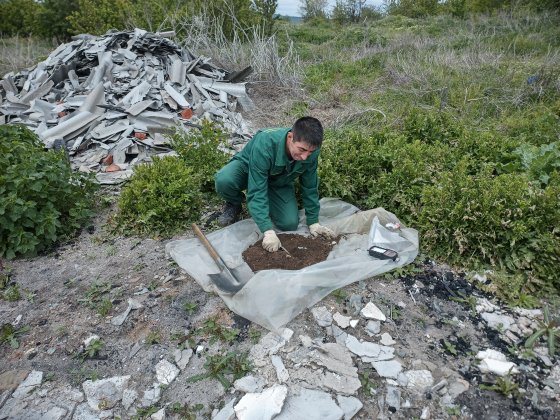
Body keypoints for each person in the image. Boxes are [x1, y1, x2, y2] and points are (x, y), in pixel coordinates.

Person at [214, 116, 335, 252]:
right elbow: (257, 190)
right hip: (249, 169)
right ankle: (234, 204)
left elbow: (310, 185)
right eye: (301, 150)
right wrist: (267, 230)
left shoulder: (311, 149)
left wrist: (313, 221)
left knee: (289, 223)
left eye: (310, 152)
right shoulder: (265, 143)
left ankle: (269, 202)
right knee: (224, 180)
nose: (305, 157)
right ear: (290, 137)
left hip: (278, 180)